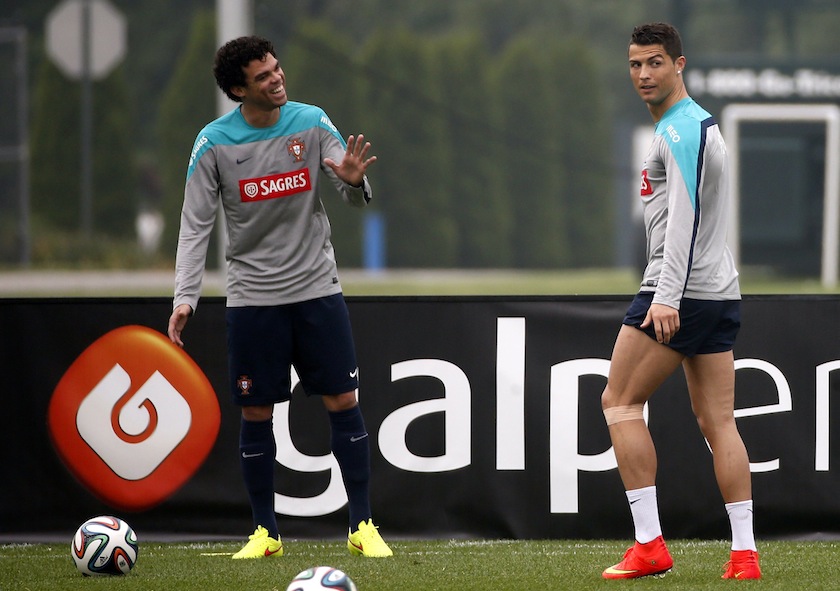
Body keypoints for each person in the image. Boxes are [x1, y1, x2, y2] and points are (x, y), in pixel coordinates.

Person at [167, 35, 392, 559]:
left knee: (344, 401)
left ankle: (362, 526)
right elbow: (194, 225)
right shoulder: (212, 143)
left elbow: (347, 188)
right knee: (256, 412)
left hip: (317, 288)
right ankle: (265, 534)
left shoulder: (312, 121)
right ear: (238, 89)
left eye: (276, 68)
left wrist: (356, 185)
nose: (277, 78)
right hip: (252, 299)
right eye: (263, 76)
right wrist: (186, 296)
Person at [600, 22, 760, 580]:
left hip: (679, 292)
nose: (644, 74)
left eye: (655, 63)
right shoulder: (685, 126)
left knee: (618, 403)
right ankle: (744, 555)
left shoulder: (682, 127)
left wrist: (666, 297)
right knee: (719, 422)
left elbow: (686, 220)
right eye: (635, 64)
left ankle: (649, 545)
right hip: (716, 292)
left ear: (679, 64)